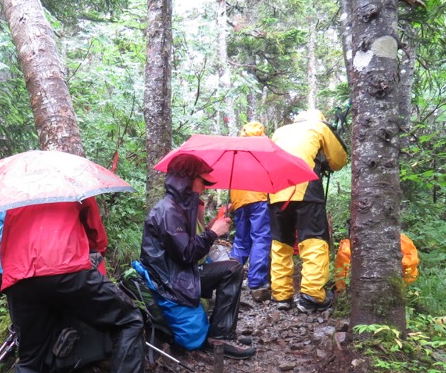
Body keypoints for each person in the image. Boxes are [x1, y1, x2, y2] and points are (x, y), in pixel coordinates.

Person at [0, 198, 160, 373]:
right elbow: (96, 236)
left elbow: (7, 241)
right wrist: (93, 254)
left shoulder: (16, 198)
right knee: (129, 319)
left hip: (20, 280)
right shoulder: (72, 185)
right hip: (67, 270)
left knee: (30, 358)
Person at [139, 153, 256, 360]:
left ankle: (222, 332)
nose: (205, 188)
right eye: (203, 182)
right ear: (187, 178)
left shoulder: (178, 207)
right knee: (232, 270)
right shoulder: (168, 210)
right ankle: (220, 337)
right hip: (170, 280)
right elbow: (186, 254)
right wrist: (212, 234)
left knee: (232, 267)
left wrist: (209, 229)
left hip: (177, 273)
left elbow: (184, 246)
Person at [269, 109, 348, 313]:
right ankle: (311, 296)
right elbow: (339, 160)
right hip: (305, 188)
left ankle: (281, 296)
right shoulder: (320, 127)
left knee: (281, 243)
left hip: (276, 192)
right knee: (313, 240)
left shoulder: (279, 132)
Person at [229, 121, 272, 302]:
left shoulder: (236, 149)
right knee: (260, 238)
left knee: (241, 240)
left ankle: (231, 279)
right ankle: (257, 283)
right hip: (258, 198)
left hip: (239, 200)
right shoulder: (265, 147)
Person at [334, 232, 419, 292]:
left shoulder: (400, 240)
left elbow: (410, 263)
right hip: (394, 285)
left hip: (392, 286)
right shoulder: (399, 240)